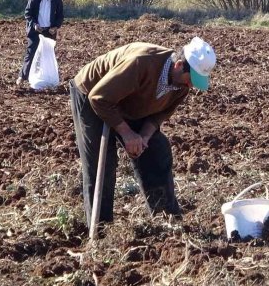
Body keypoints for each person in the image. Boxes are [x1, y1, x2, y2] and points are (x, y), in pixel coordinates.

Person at [69, 37, 217, 224]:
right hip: (94, 95)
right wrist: (127, 133)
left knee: (157, 150)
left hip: (135, 100)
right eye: (192, 79)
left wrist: (144, 137)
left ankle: (166, 220)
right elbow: (99, 98)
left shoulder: (181, 86)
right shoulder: (141, 62)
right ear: (179, 65)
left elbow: (159, 115)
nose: (192, 85)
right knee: (102, 163)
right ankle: (100, 228)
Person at [18, 0, 64, 86]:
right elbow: (28, 13)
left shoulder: (57, 0)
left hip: (49, 31)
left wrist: (56, 27)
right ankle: (22, 77)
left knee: (47, 55)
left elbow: (60, 16)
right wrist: (34, 25)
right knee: (31, 52)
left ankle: (45, 78)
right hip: (36, 30)